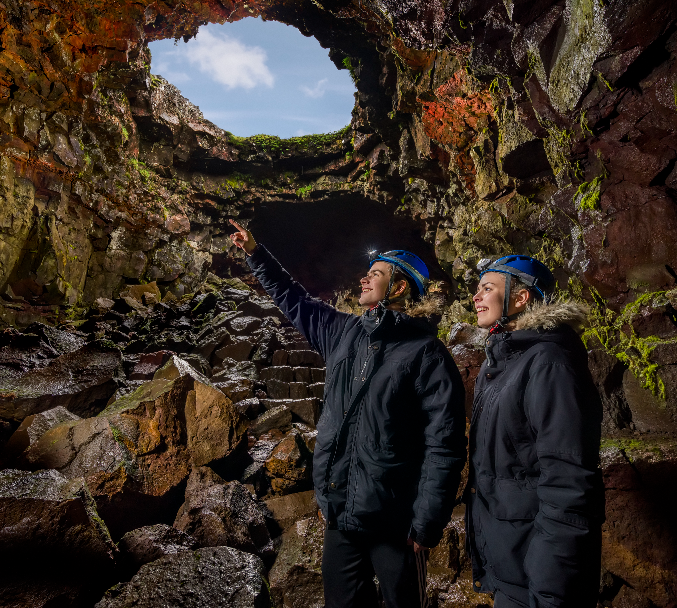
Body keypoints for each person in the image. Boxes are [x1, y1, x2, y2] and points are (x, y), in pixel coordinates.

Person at [228, 220, 466, 608]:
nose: (363, 279)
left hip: (395, 522)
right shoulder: (343, 332)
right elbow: (294, 299)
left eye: (376, 274)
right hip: (341, 515)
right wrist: (256, 253)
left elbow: (446, 445)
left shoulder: (426, 355)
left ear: (400, 286)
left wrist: (427, 523)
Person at [465, 255, 604, 608]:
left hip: (537, 575)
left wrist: (550, 590)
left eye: (487, 288)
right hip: (510, 563)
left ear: (520, 298)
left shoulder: (549, 363)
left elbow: (568, 481)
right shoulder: (499, 366)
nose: (476, 298)